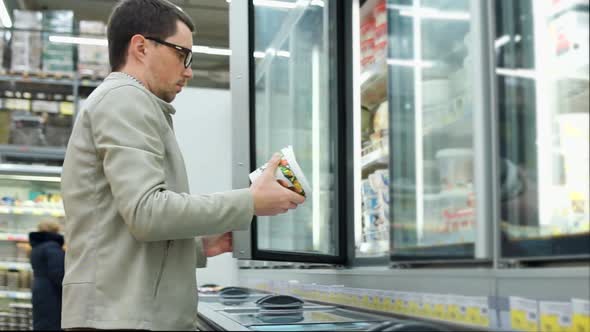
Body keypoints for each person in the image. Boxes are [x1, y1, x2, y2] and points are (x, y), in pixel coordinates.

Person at [60, 0, 305, 330]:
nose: (188, 69)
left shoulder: (131, 103)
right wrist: (249, 201)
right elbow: (147, 213)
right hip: (121, 318)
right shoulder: (124, 99)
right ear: (141, 47)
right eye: (182, 53)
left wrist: (202, 245)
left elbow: (121, 232)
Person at [29, 221, 65, 331]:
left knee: (41, 322)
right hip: (51, 291)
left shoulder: (36, 247)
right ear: (55, 231)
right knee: (52, 322)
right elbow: (58, 273)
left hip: (39, 289)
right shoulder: (52, 247)